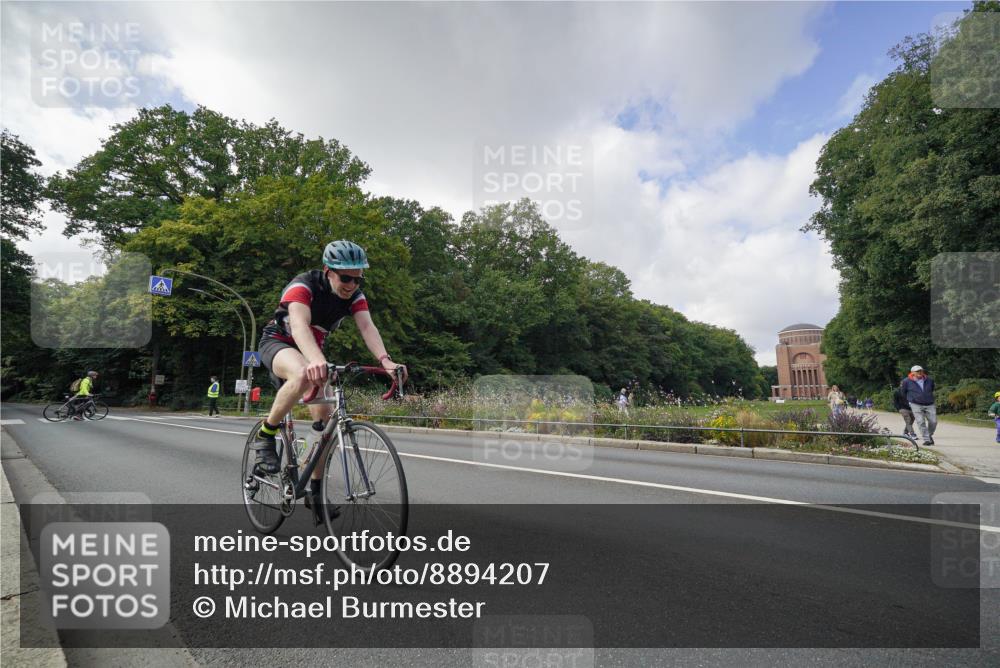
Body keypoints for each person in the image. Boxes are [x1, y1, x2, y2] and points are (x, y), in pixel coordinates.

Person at [252, 240, 406, 524]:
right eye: (346, 278)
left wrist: (386, 361)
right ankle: (266, 434)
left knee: (323, 424)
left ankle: (315, 492)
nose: (352, 284)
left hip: (313, 352)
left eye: (358, 279)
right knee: (302, 373)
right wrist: (315, 360)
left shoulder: (354, 296)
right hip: (279, 343)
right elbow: (299, 326)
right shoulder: (303, 286)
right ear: (328, 271)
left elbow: (367, 326)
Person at [900, 365, 937, 446]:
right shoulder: (906, 381)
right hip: (915, 404)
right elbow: (903, 392)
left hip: (929, 403)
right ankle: (927, 439)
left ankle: (929, 435)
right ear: (912, 373)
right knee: (920, 421)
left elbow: (932, 389)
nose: (920, 372)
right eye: (917, 371)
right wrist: (910, 400)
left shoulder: (929, 380)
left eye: (921, 371)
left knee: (933, 421)